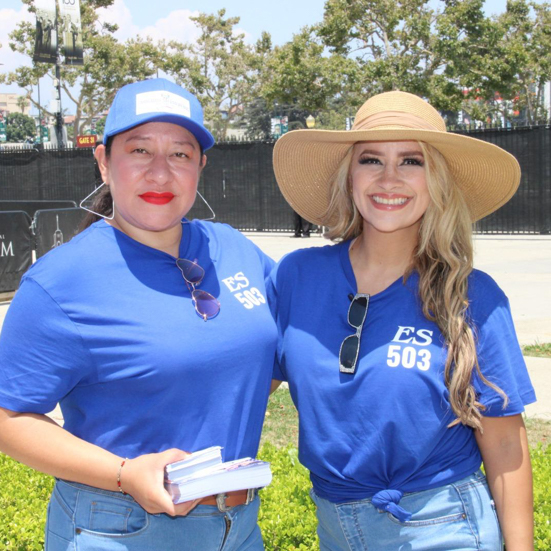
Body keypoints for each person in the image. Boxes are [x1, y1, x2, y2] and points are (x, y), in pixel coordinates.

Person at [0, 78, 277, 550]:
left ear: (201, 166)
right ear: (105, 163)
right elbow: (8, 416)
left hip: (240, 526)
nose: (160, 173)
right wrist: (125, 473)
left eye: (180, 155)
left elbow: (275, 350)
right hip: (122, 526)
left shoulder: (233, 248)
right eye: (140, 151)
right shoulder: (61, 282)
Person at [268, 91, 535, 550]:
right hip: (333, 528)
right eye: (371, 159)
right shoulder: (297, 276)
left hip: (443, 526)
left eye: (411, 161)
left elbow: (506, 446)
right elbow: (243, 389)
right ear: (348, 176)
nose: (389, 179)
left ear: (437, 181)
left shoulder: (473, 295)